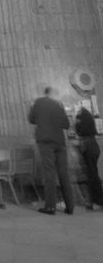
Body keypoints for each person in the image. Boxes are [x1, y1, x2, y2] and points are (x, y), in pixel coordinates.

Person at [28, 87, 74, 215]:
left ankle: (50, 207)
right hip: (60, 142)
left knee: (49, 174)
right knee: (64, 174)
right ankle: (70, 207)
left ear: (44, 93)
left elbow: (31, 119)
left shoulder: (38, 102)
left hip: (46, 142)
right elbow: (66, 124)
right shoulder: (58, 104)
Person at [74, 106, 103, 210]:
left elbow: (80, 129)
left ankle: (98, 201)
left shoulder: (82, 117)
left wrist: (76, 123)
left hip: (89, 147)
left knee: (92, 176)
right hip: (94, 147)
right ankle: (96, 201)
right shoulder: (88, 116)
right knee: (93, 175)